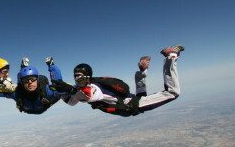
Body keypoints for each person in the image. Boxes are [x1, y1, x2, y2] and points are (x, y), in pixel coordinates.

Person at [51, 44, 185, 117]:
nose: (77, 78)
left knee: (173, 93)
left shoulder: (94, 87)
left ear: (88, 76)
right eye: (75, 76)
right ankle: (142, 70)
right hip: (130, 102)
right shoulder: (81, 88)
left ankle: (171, 57)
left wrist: (70, 89)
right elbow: (72, 102)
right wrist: (61, 93)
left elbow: (90, 96)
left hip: (131, 105)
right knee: (141, 96)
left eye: (80, 75)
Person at [0, 57, 68, 114]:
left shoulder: (47, 91)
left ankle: (51, 64)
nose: (30, 82)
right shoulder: (16, 93)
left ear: (37, 80)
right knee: (18, 86)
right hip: (33, 107)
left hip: (40, 106)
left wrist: (72, 90)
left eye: (33, 79)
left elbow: (70, 89)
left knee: (58, 84)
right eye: (26, 81)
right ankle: (23, 68)